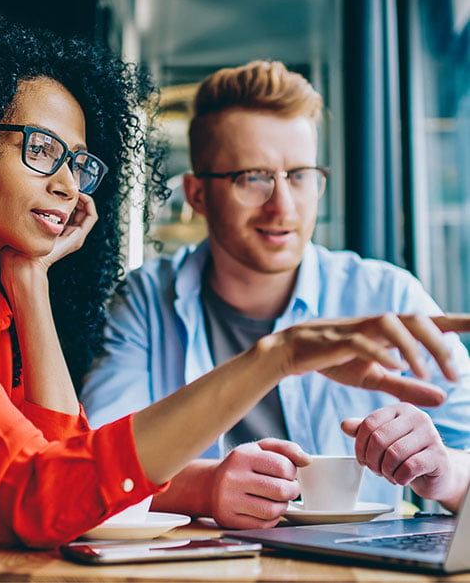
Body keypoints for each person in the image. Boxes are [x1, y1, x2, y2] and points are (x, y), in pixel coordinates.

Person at [0, 13, 467, 558]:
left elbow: (71, 479)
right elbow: (55, 491)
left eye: (78, 163)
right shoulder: (134, 300)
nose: (66, 184)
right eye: (41, 149)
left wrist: (31, 277)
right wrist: (278, 357)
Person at [81, 60, 470, 529]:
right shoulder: (146, 300)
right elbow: (94, 467)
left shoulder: (386, 294)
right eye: (254, 177)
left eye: (301, 175)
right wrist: (204, 488)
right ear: (197, 195)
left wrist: (443, 471)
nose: (282, 205)